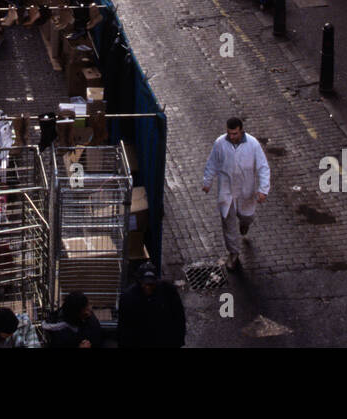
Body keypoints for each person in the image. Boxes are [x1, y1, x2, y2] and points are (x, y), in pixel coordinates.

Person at [202, 116, 271, 271]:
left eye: (235, 134)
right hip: (226, 191)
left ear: (241, 131)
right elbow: (212, 162)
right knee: (228, 223)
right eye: (229, 133)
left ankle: (245, 224)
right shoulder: (220, 143)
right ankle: (233, 253)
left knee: (247, 216)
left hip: (246, 190)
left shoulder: (253, 144)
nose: (232, 137)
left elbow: (262, 167)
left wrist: (263, 189)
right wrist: (207, 182)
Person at [116, 263, 186, 348]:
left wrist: (178, 341)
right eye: (145, 284)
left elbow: (179, 318)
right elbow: (123, 327)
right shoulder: (128, 297)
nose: (148, 287)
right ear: (139, 282)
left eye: (151, 284)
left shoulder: (168, 292)